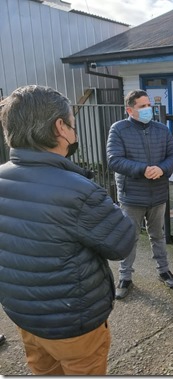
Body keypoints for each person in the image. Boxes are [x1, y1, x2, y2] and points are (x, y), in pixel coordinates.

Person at [0, 85, 135, 375]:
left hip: (23, 315)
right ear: (60, 127)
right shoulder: (77, 190)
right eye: (72, 121)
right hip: (72, 322)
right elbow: (121, 241)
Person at [107, 89, 173, 299]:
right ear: (130, 109)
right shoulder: (119, 129)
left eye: (149, 105)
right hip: (132, 195)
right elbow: (114, 159)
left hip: (157, 193)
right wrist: (143, 169)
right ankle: (125, 277)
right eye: (143, 106)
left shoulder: (161, 129)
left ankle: (163, 270)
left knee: (158, 235)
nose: (148, 109)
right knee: (129, 237)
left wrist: (162, 168)